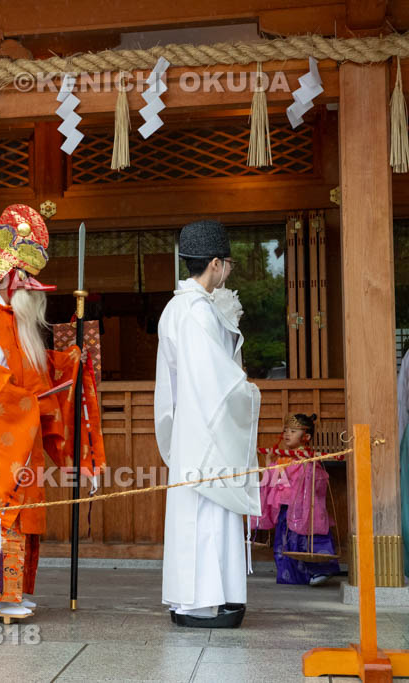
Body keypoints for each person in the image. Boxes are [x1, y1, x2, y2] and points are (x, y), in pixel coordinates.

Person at [0, 204, 93, 621]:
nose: (31, 285)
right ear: (7, 276)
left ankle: (13, 592)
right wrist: (30, 402)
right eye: (25, 277)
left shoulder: (14, 319)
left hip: (21, 438)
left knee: (21, 515)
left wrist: (69, 362)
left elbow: (35, 370)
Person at [154, 219, 261, 629]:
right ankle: (202, 601)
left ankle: (200, 600)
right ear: (214, 263)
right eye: (228, 264)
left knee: (198, 514)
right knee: (208, 512)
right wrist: (247, 391)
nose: (229, 272)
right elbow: (214, 378)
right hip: (206, 431)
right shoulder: (195, 312)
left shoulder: (177, 308)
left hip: (190, 428)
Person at [255, 414, 339, 586]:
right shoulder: (283, 457)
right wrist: (269, 462)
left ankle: (319, 571)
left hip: (305, 510)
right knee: (285, 542)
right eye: (286, 430)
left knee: (306, 540)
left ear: (306, 436)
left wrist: (307, 465)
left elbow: (317, 484)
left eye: (293, 431)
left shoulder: (309, 457)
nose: (287, 434)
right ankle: (294, 576)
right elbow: (272, 482)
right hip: (285, 509)